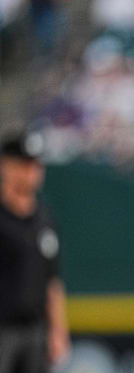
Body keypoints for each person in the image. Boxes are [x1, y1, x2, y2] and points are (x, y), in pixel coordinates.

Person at [0, 131, 70, 373]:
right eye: (24, 164)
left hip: (35, 330)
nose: (32, 172)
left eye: (36, 165)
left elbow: (52, 281)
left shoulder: (45, 220)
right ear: (6, 166)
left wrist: (58, 331)